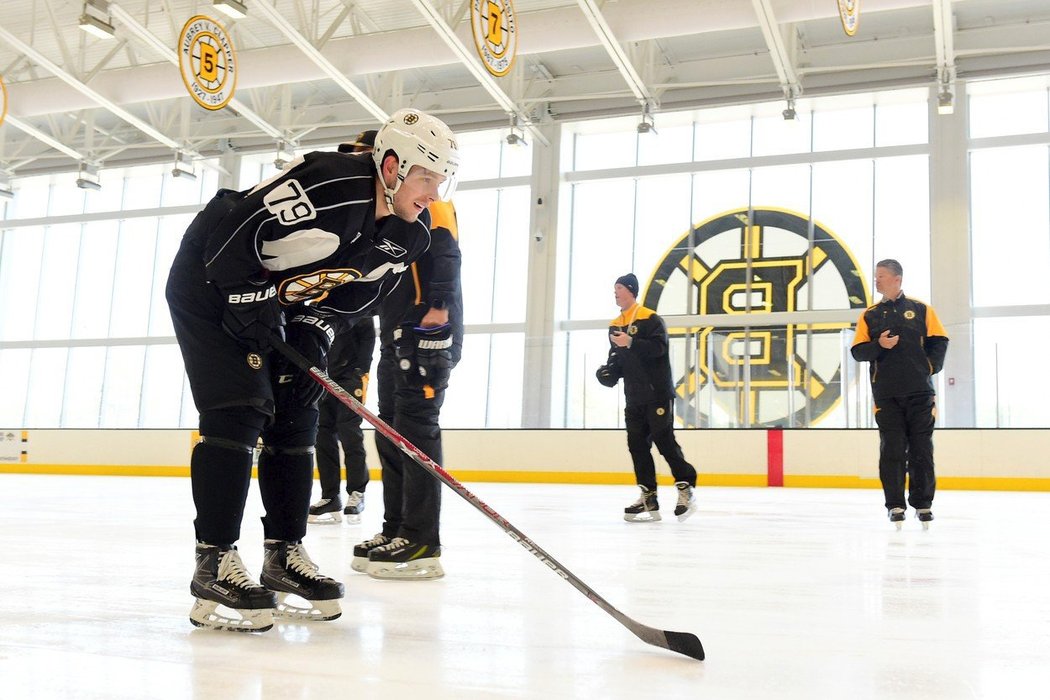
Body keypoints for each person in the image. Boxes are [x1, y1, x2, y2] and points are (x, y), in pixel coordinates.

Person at [165, 108, 459, 631]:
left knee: (298, 411)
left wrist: (313, 337)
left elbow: (351, 300)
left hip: (275, 301)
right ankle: (213, 561)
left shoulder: (410, 236)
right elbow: (230, 242)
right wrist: (253, 311)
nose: (434, 193)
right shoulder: (329, 182)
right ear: (391, 166)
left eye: (442, 181)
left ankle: (283, 555)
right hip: (207, 282)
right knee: (241, 406)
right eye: (426, 178)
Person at [340, 131, 464, 580]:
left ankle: (422, 539)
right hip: (396, 333)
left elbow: (447, 255)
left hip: (424, 332)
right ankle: (396, 527)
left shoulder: (430, 202)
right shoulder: (384, 213)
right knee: (390, 432)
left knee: (416, 432)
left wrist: (438, 309)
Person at [851, 259, 949, 530]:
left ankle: (923, 504)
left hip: (920, 393)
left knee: (921, 449)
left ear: (897, 279)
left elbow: (939, 341)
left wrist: (928, 367)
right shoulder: (869, 315)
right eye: (876, 276)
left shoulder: (921, 309)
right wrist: (879, 345)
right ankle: (895, 505)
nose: (876, 280)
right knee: (892, 450)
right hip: (886, 395)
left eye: (881, 275)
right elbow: (858, 351)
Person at [595, 273, 698, 523]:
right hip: (634, 396)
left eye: (618, 288)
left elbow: (659, 349)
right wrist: (609, 372)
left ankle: (686, 488)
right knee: (636, 445)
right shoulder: (615, 323)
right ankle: (647, 495)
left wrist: (631, 341)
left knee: (664, 440)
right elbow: (617, 356)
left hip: (657, 392)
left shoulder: (650, 319)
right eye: (614, 288)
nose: (615, 293)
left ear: (631, 290)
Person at [308, 315, 376, 525]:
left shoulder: (356, 301)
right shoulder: (320, 300)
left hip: (351, 376)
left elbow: (368, 338)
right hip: (325, 375)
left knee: (349, 431)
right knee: (323, 434)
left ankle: (357, 491)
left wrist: (360, 371)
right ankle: (330, 496)